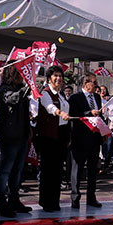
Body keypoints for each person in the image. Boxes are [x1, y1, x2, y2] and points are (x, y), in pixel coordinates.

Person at [0, 64, 33, 217]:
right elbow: (14, 99)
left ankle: (14, 200)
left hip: (21, 134)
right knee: (4, 171)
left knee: (17, 172)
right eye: (20, 73)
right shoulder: (4, 89)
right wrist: (30, 86)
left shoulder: (21, 88)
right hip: (9, 136)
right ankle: (1, 204)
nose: (22, 76)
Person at [35, 65, 70, 212]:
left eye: (60, 76)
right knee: (48, 170)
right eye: (55, 76)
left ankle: (55, 201)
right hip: (48, 136)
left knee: (57, 171)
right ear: (49, 78)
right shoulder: (45, 93)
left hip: (61, 134)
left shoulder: (61, 94)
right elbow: (49, 107)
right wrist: (59, 112)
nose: (58, 78)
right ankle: (46, 202)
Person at [68, 72, 104, 209]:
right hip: (80, 139)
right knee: (77, 169)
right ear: (86, 83)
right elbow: (73, 115)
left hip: (94, 139)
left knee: (93, 169)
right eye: (94, 83)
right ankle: (75, 197)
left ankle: (91, 197)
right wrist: (89, 113)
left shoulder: (96, 97)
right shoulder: (75, 98)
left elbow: (99, 116)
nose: (96, 86)